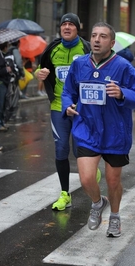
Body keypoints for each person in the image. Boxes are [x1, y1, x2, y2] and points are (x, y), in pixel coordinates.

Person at [61, 22, 135, 237]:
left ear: (112, 43)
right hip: (86, 129)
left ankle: (115, 216)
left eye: (102, 36)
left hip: (115, 132)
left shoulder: (123, 67)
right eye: (93, 35)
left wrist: (122, 94)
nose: (96, 40)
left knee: (112, 181)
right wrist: (68, 106)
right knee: (86, 179)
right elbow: (68, 91)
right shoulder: (79, 64)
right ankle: (97, 202)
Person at [35, 13, 91, 211]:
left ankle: (92, 174)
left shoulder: (86, 48)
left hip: (82, 108)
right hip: (58, 106)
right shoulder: (53, 49)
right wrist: (39, 74)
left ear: (77, 29)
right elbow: (40, 69)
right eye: (64, 25)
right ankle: (65, 194)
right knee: (61, 149)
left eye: (71, 25)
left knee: (80, 151)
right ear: (60, 28)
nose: (67, 27)